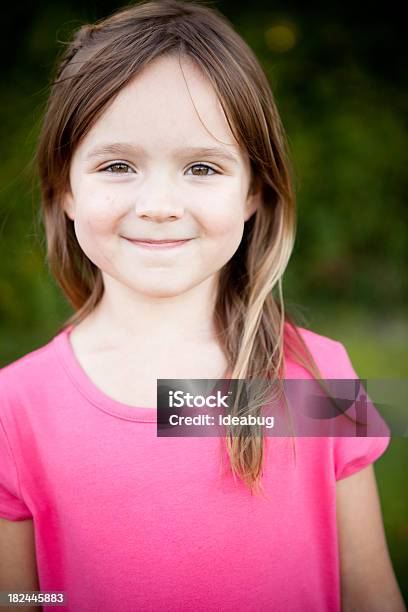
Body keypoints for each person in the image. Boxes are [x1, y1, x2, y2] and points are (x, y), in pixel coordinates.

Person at [0, 1, 405, 610]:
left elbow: (372, 597)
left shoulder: (316, 377)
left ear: (252, 192)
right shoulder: (17, 408)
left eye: (200, 166)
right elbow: (29, 601)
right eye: (117, 165)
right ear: (65, 190)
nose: (159, 204)